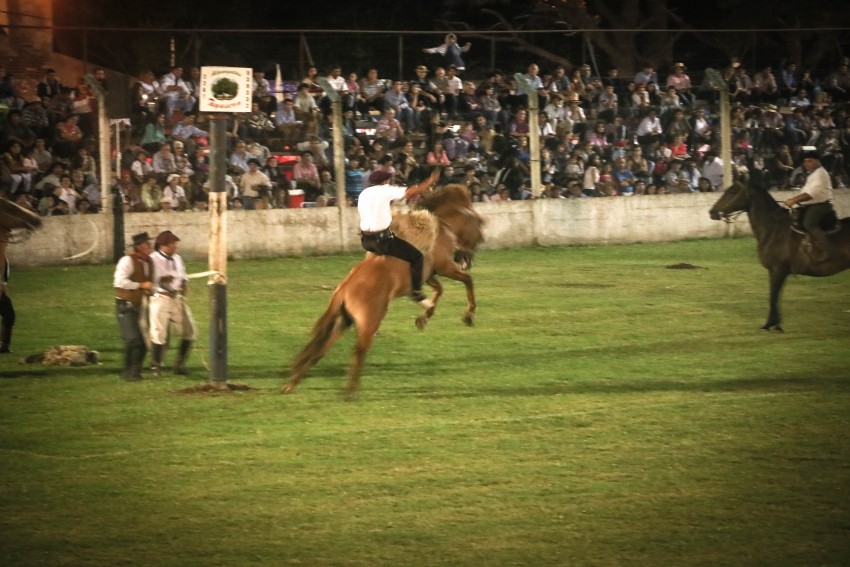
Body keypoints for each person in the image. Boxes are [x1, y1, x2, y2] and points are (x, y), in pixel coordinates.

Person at [357, 168, 441, 308]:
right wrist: (429, 182)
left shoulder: (364, 193)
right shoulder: (385, 190)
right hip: (382, 241)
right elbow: (410, 192)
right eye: (389, 180)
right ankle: (416, 293)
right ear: (385, 181)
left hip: (366, 241)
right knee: (417, 257)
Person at [149, 230, 196, 376]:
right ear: (163, 245)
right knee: (159, 333)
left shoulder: (177, 258)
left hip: (176, 299)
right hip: (160, 298)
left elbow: (183, 275)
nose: (175, 246)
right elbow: (151, 279)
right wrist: (162, 281)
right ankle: (156, 366)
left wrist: (183, 286)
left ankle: (179, 364)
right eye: (172, 244)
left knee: (189, 331)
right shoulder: (152, 259)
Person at [113, 232, 154, 381]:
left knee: (143, 341)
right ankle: (127, 371)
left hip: (142, 306)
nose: (150, 246)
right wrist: (141, 285)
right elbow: (119, 282)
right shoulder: (127, 261)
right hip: (126, 305)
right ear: (139, 247)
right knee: (133, 339)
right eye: (147, 244)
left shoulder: (149, 262)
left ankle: (135, 372)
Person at [782, 148, 835, 261]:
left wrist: (793, 200)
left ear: (817, 161)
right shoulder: (813, 174)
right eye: (805, 161)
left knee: (809, 223)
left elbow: (811, 194)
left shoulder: (820, 174)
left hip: (821, 205)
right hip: (811, 205)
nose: (806, 163)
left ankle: (828, 250)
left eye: (810, 161)